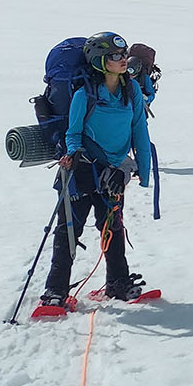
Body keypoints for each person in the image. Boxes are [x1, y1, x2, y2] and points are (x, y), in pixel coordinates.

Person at [39, 32, 153, 307]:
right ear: (100, 61)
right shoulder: (84, 94)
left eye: (124, 54)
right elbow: (74, 133)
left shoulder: (132, 90)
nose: (123, 60)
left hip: (113, 171)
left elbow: (139, 127)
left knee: (112, 226)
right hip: (81, 171)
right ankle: (55, 291)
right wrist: (73, 153)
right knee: (69, 230)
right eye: (116, 56)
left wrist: (143, 170)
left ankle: (117, 283)